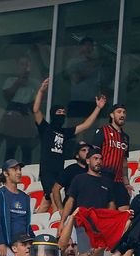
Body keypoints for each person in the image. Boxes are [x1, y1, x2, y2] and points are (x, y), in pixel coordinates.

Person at [33, 78, 106, 213]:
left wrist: (98, 108)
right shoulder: (45, 128)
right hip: (47, 170)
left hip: (59, 170)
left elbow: (86, 125)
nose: (62, 115)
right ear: (53, 114)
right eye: (58, 112)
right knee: (53, 199)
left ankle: (35, 225)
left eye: (63, 113)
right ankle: (56, 225)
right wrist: (41, 91)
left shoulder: (65, 132)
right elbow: (36, 110)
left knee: (46, 201)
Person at [59, 147, 115, 236]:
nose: (98, 161)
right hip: (82, 224)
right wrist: (62, 221)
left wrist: (110, 222)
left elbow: (111, 204)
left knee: (98, 249)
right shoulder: (79, 179)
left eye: (100, 159)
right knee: (84, 249)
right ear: (88, 161)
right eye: (95, 158)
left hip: (101, 225)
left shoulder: (107, 181)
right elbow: (70, 201)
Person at [0, 55, 37, 166]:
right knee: (11, 147)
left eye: (27, 65)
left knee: (27, 148)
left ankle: (27, 173)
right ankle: (8, 173)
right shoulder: (10, 80)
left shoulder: (34, 83)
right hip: (13, 117)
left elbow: (36, 104)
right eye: (22, 64)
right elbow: (7, 96)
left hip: (26, 117)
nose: (25, 67)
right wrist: (18, 82)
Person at [0, 159, 33, 256]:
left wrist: (34, 242)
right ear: (5, 173)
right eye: (14, 169)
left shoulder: (25, 197)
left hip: (23, 246)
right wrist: (0, 243)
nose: (19, 172)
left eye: (19, 169)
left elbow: (27, 223)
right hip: (6, 246)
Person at [92, 104, 131, 210]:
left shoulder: (126, 137)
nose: (122, 114)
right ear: (112, 115)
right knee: (109, 210)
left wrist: (126, 183)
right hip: (103, 177)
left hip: (118, 181)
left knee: (125, 211)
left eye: (124, 112)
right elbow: (94, 154)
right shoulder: (103, 131)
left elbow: (124, 161)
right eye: (119, 112)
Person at [67, 37, 105, 118]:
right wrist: (92, 65)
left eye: (91, 46)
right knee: (74, 126)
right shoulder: (74, 62)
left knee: (92, 128)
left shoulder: (97, 64)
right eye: (86, 45)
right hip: (78, 101)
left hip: (93, 102)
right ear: (81, 47)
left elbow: (102, 82)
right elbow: (76, 79)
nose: (89, 48)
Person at [52, 141, 89, 213]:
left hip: (89, 211)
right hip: (72, 212)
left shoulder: (95, 171)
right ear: (77, 155)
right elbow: (55, 189)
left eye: (89, 150)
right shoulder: (70, 170)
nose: (87, 153)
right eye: (84, 150)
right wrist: (61, 209)